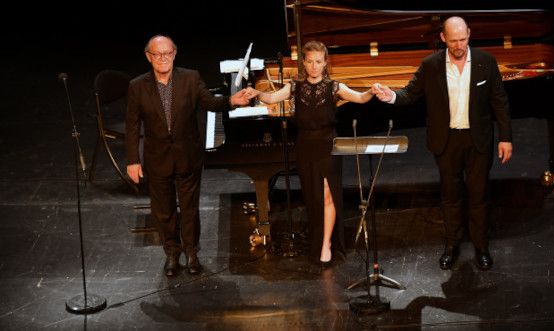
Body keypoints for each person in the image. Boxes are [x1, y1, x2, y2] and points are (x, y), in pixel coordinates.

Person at [372, 16, 512, 271]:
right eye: (454, 40)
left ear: (469, 34)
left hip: (478, 139)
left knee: (479, 196)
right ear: (443, 38)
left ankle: (481, 247)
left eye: (463, 39)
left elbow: (499, 101)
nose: (459, 45)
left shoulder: (485, 62)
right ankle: (452, 245)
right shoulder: (431, 66)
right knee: (451, 196)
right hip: (446, 141)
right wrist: (390, 96)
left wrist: (505, 138)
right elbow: (410, 93)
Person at [125, 35, 250, 277]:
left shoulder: (190, 78)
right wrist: (132, 159)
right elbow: (132, 125)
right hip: (157, 158)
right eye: (158, 54)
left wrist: (232, 101)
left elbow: (210, 103)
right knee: (164, 211)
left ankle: (192, 253)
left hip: (187, 157)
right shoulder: (137, 86)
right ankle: (172, 254)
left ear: (174, 54)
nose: (163, 58)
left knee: (190, 208)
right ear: (149, 57)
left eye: (168, 53)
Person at [245, 40, 375, 266]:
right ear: (303, 63)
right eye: (310, 61)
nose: (314, 66)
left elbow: (361, 98)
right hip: (305, 146)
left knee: (328, 195)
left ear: (325, 63)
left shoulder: (334, 87)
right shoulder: (294, 87)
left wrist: (372, 91)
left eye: (318, 62)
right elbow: (271, 98)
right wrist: (256, 92)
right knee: (313, 198)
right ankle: (319, 239)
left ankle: (326, 244)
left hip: (328, 146)